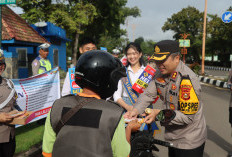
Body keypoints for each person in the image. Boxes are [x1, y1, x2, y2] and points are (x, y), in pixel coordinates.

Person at [125, 40, 207, 157]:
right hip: (171, 136)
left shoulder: (187, 80)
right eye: (157, 60)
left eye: (163, 60)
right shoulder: (159, 73)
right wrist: (135, 110)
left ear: (177, 58)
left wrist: (158, 115)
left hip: (189, 140)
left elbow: (187, 117)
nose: (159, 65)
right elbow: (148, 94)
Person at [42, 50, 130, 157]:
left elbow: (47, 152)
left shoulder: (57, 106)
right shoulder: (114, 114)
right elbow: (122, 154)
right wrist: (129, 129)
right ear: (105, 80)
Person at [113, 42, 146, 112]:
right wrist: (127, 107)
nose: (132, 57)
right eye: (129, 54)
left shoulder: (147, 72)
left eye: (134, 53)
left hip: (144, 107)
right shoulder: (122, 72)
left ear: (140, 54)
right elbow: (116, 95)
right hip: (126, 107)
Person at [0, 49, 18, 157]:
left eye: (1, 63)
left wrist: (20, 113)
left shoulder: (9, 83)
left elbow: (13, 104)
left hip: (10, 136)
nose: (0, 66)